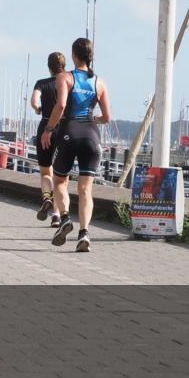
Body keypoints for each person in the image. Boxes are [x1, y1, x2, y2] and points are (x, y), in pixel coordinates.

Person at [40, 37, 112, 252]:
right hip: (91, 135)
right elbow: (107, 117)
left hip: (69, 132)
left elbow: (61, 105)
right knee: (85, 190)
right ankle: (85, 233)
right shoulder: (99, 82)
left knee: (60, 181)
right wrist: (93, 120)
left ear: (73, 55)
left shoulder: (65, 77)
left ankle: (64, 219)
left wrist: (48, 129)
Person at [31, 52, 66, 226]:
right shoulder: (68, 82)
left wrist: (38, 109)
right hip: (64, 128)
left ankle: (47, 198)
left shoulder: (41, 83)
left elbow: (34, 101)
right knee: (61, 177)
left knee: (46, 171)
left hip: (45, 126)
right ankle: (57, 215)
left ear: (48, 66)